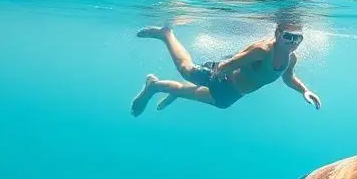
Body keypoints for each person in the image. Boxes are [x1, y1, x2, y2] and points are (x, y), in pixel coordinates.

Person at [130, 19, 322, 116]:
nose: (293, 42)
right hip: (222, 78)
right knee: (186, 70)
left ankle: (158, 86)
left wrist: (305, 91)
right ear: (278, 34)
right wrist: (210, 78)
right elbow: (227, 65)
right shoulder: (262, 51)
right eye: (289, 36)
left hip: (232, 94)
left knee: (202, 96)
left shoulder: (291, 58)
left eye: (298, 38)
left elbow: (288, 78)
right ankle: (166, 35)